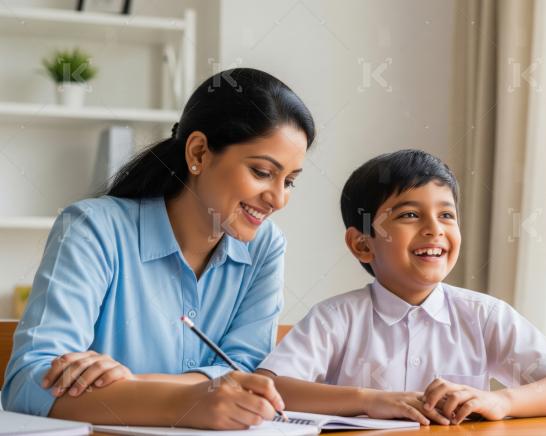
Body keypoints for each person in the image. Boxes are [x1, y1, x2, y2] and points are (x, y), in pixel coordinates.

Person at [2, 68, 314, 430]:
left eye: (290, 181)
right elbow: (28, 382)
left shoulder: (265, 247)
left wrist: (133, 386)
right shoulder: (93, 228)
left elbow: (243, 371)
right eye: (262, 172)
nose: (278, 199)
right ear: (198, 152)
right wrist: (183, 402)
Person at [257, 149, 546, 425]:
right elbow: (270, 389)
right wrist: (369, 400)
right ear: (362, 244)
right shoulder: (336, 318)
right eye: (409, 215)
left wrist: (499, 400)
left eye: (447, 215)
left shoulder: (484, 315)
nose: (435, 229)